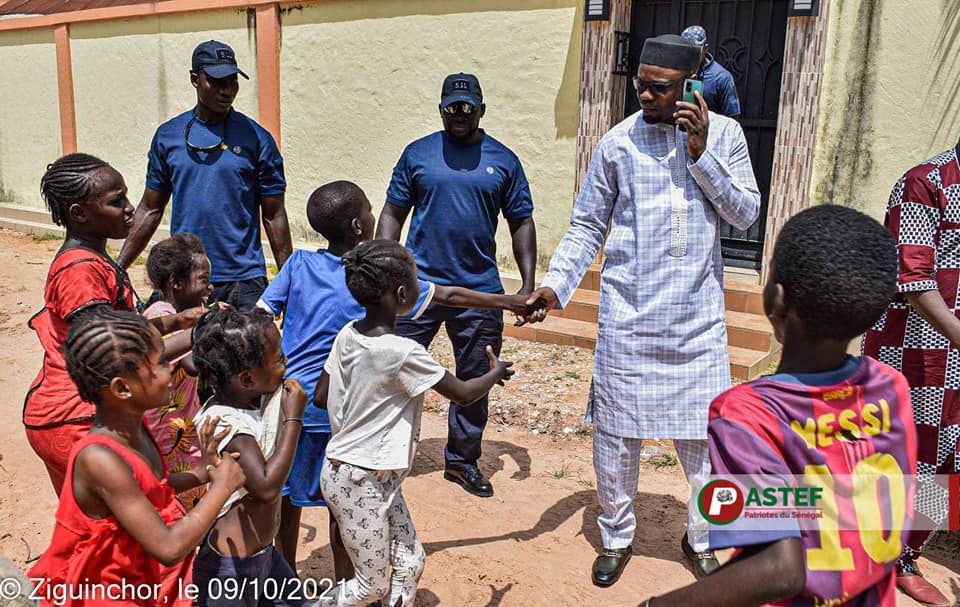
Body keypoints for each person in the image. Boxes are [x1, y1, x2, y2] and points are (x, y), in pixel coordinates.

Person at [523, 34, 760, 586]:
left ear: (691, 87)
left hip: (697, 324)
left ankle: (701, 536)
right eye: (640, 86)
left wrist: (702, 156)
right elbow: (586, 226)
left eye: (659, 89)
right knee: (616, 439)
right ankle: (617, 536)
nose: (645, 97)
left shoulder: (725, 136)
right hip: (628, 321)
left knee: (704, 445)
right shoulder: (616, 144)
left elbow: (746, 215)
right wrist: (556, 288)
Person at [637, 205, 916, 607]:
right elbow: (895, 503)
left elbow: (780, 569)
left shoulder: (746, 415)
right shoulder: (892, 387)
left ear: (776, 298)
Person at [259, 180, 531, 574]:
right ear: (358, 225)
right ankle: (347, 585)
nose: (375, 215)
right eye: (370, 210)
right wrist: (509, 300)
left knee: (285, 503)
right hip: (341, 413)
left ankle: (282, 584)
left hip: (291, 404)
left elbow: (263, 315)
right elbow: (449, 298)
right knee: (342, 510)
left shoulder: (298, 264)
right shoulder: (377, 279)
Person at [313, 239, 515, 606]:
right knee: (369, 586)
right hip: (359, 479)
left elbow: (322, 395)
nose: (424, 287)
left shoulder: (348, 333)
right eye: (419, 280)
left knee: (410, 562)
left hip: (368, 473)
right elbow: (465, 394)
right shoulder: (404, 353)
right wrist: (495, 372)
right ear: (402, 293)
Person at [377, 72, 537, 498]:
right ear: (442, 108)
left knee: (476, 375)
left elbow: (520, 220)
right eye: (452, 107)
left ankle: (462, 461)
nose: (460, 114)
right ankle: (382, 455)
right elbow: (393, 213)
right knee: (393, 369)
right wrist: (382, 266)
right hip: (416, 289)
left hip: (479, 292)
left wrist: (526, 283)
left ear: (482, 110)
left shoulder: (503, 160)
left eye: (467, 107)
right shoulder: (418, 154)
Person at [29, 310, 247, 607]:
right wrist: (222, 487)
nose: (169, 371)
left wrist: (201, 473)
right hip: (103, 595)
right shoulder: (99, 459)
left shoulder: (134, 427)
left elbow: (153, 488)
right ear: (122, 388)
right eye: (158, 365)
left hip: (137, 583)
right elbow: (169, 547)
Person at [24, 153, 205, 496]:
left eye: (126, 196)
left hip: (76, 413)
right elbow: (112, 354)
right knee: (126, 525)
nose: (130, 208)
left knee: (97, 530)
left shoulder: (94, 260)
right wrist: (197, 335)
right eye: (116, 202)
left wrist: (173, 322)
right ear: (79, 214)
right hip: (73, 417)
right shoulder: (80, 272)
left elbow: (118, 327)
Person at [117, 40, 291, 310]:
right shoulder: (168, 136)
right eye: (217, 81)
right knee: (183, 350)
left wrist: (289, 281)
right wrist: (118, 267)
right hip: (184, 279)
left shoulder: (257, 139)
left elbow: (274, 213)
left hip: (243, 281)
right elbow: (150, 208)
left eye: (232, 81)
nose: (227, 90)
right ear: (195, 79)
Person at [861, 143, 960, 607]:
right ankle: (868, 557)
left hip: (955, 355)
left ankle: (905, 556)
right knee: (901, 455)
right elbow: (913, 280)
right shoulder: (927, 182)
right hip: (915, 351)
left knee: (946, 461)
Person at [191, 307, 308, 607]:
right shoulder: (228, 425)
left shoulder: (248, 399)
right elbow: (267, 487)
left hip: (263, 557)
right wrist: (293, 419)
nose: (286, 364)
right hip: (230, 571)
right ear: (246, 379)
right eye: (279, 359)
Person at [142, 232, 215, 509]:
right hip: (169, 437)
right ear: (176, 283)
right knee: (182, 502)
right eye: (204, 280)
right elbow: (191, 364)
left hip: (181, 430)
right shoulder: (161, 316)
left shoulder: (178, 315)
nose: (210, 287)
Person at [681, 26, 741, 119]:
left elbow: (732, 117)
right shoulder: (676, 70)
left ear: (706, 48)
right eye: (686, 51)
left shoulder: (721, 77)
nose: (690, 55)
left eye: (695, 51)